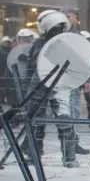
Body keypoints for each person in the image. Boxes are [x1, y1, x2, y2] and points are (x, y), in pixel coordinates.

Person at [22, 10, 81, 167]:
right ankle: (34, 155)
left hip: (60, 86)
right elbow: (31, 66)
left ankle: (69, 157)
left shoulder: (67, 42)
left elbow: (76, 65)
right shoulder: (38, 44)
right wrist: (26, 85)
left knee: (64, 121)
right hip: (38, 85)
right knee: (36, 122)